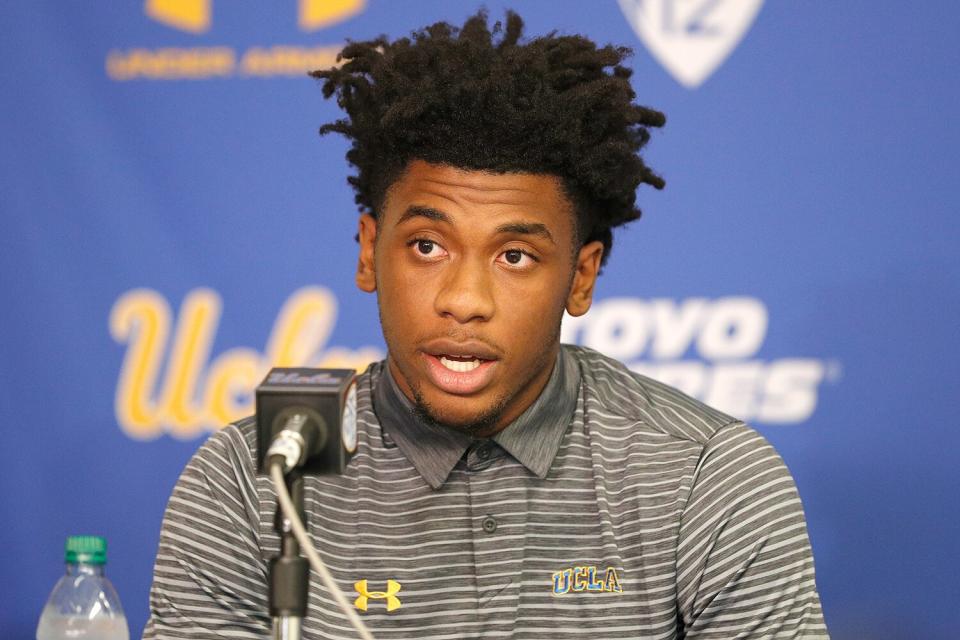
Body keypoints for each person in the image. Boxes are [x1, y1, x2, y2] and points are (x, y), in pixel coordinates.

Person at [144, 10, 829, 639]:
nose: (464, 299)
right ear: (367, 252)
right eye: (427, 247)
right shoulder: (253, 481)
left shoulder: (705, 478)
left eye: (515, 255)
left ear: (581, 277)